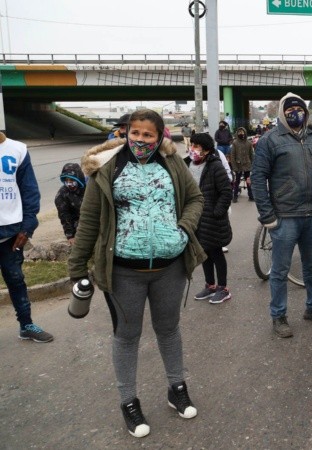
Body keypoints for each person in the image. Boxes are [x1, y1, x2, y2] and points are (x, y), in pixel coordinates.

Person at [68, 109, 205, 437]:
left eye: (148, 135)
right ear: (126, 133)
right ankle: (129, 402)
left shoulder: (172, 163)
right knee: (127, 336)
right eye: (135, 133)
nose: (140, 140)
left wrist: (183, 229)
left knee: (168, 330)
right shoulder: (107, 168)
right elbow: (89, 220)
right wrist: (76, 267)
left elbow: (195, 199)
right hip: (123, 272)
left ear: (159, 137)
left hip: (169, 268)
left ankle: (176, 388)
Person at [251, 92, 312, 338]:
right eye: (289, 110)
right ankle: (279, 315)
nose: (295, 114)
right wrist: (267, 215)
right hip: (284, 216)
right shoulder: (270, 140)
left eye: (299, 110)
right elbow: (258, 179)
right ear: (282, 114)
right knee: (279, 270)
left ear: (305, 114)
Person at [0, 132, 52, 344]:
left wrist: (28, 226)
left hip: (11, 234)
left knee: (16, 280)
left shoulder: (18, 150)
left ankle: (26, 325)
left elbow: (29, 189)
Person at [186, 133, 233, 304]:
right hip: (195, 218)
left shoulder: (215, 166)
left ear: (206, 150)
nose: (192, 149)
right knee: (204, 253)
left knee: (216, 252)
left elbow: (226, 192)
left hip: (213, 218)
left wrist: (217, 212)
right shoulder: (186, 164)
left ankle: (223, 288)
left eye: (196, 146)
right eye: (191, 145)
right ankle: (210, 285)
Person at [54, 163, 85, 245]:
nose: (69, 184)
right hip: (79, 224)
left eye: (72, 180)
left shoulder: (89, 188)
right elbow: (64, 216)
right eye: (66, 181)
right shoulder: (62, 195)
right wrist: (70, 235)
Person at [230, 127, 254, 203]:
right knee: (237, 181)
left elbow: (251, 154)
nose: (241, 133)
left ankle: (251, 196)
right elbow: (232, 155)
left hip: (247, 165)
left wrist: (253, 165)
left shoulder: (249, 143)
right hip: (238, 165)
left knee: (248, 181)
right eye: (239, 132)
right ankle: (235, 196)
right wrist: (234, 167)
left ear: (245, 133)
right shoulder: (235, 143)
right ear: (237, 133)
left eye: (242, 132)